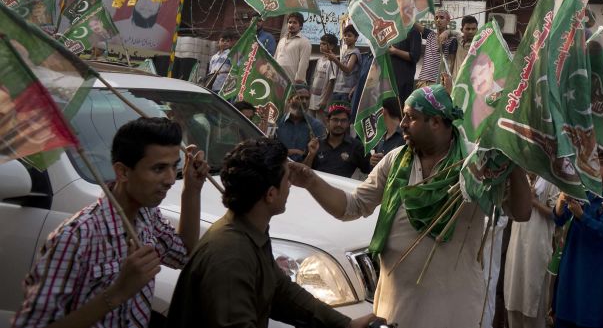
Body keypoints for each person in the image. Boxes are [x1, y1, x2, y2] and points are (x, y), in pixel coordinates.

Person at [289, 84, 532, 328]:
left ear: (435, 122)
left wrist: (512, 160)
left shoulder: (476, 163)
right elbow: (351, 207)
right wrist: (311, 181)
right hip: (397, 306)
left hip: (455, 307)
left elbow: (521, 213)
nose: (402, 123)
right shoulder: (395, 160)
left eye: (411, 117)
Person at [13, 118, 208, 328]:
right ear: (123, 172)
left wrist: (192, 190)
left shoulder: (147, 215)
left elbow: (183, 254)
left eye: (174, 167)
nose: (171, 179)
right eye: (159, 169)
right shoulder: (75, 237)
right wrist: (117, 293)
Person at [165, 138, 377, 328]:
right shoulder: (230, 256)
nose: (291, 185)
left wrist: (346, 324)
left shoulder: (250, 231)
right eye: (287, 179)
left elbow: (282, 292)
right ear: (271, 194)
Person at [553, 150, 603, 328]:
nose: (597, 167)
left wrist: (582, 216)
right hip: (572, 261)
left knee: (589, 315)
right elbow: (559, 219)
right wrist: (560, 201)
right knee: (565, 311)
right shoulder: (581, 188)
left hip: (593, 267)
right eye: (594, 162)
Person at [503, 175, 559, 328]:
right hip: (516, 246)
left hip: (537, 247)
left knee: (533, 298)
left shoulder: (551, 178)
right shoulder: (519, 176)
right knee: (513, 296)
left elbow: (557, 215)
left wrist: (533, 201)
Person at [305, 104, 371, 178]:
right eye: (335, 120)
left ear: (348, 123)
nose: (339, 124)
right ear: (327, 121)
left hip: (342, 188)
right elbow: (303, 172)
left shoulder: (356, 146)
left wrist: (374, 162)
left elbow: (369, 170)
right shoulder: (316, 144)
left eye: (343, 121)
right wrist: (311, 154)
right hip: (316, 187)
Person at [275, 84, 325, 163]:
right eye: (300, 98)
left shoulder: (316, 126)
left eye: (307, 98)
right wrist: (292, 152)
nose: (304, 102)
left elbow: (320, 155)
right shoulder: (277, 123)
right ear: (289, 100)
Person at [388, 24, 423, 100]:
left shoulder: (413, 31)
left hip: (403, 81)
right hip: (389, 80)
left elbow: (415, 56)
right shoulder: (392, 30)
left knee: (399, 108)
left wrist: (395, 51)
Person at [309, 33, 340, 122]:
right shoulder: (319, 60)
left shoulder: (333, 61)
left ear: (331, 46)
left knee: (321, 124)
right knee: (311, 123)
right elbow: (314, 78)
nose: (321, 46)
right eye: (320, 44)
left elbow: (332, 81)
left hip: (322, 100)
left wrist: (325, 100)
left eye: (324, 44)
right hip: (313, 98)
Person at [329, 25, 362, 103]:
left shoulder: (355, 52)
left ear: (356, 38)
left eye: (349, 35)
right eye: (345, 35)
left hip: (346, 92)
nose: (346, 37)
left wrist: (335, 60)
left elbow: (348, 70)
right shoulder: (345, 51)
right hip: (337, 89)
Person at [369, 97, 405, 168]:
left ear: (383, 111)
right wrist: (372, 161)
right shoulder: (380, 137)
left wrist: (386, 163)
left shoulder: (406, 136)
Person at [275, 13, 311, 84]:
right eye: (290, 22)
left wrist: (299, 80)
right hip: (278, 80)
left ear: (300, 26)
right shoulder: (282, 40)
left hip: (293, 82)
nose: (291, 25)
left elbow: (304, 62)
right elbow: (275, 58)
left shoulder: (304, 42)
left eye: (295, 23)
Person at [415, 21, 441, 89]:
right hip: (423, 81)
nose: (438, 20)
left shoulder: (452, 39)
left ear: (448, 20)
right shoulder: (431, 34)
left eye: (441, 17)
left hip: (437, 82)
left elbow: (452, 62)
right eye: (437, 18)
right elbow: (414, 24)